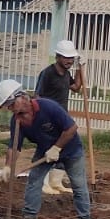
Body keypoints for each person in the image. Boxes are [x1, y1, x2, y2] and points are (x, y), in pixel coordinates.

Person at [0, 78, 94, 219]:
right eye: (7, 106)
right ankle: (29, 218)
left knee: (79, 185)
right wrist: (7, 166)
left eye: (11, 104)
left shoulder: (48, 107)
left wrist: (57, 148)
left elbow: (72, 128)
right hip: (44, 151)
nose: (10, 108)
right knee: (34, 180)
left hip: (70, 149)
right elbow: (14, 146)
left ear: (22, 97)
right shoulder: (17, 121)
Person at [34, 40, 86, 196]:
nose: (69, 61)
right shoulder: (47, 73)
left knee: (65, 148)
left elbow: (76, 87)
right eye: (66, 57)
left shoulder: (67, 74)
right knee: (47, 149)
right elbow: (37, 96)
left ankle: (55, 182)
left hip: (62, 119)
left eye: (71, 58)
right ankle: (43, 183)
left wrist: (80, 67)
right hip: (48, 119)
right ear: (57, 57)